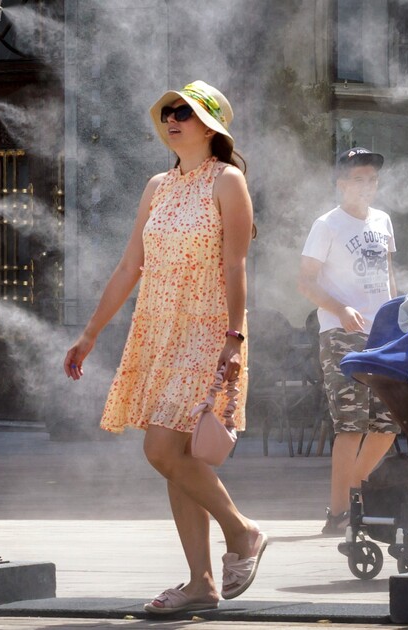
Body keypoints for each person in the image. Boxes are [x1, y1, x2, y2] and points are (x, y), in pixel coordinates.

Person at [63, 80, 266, 613]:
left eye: (186, 112)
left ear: (210, 126)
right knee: (173, 454)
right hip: (158, 330)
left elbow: (237, 266)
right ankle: (200, 582)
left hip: (208, 331)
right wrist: (90, 333)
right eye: (169, 112)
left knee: (160, 449)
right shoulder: (156, 186)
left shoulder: (228, 182)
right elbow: (131, 265)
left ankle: (241, 532)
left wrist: (235, 336)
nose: (173, 119)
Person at [299, 147, 400, 536]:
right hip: (342, 335)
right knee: (351, 425)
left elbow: (388, 276)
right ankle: (339, 512)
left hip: (381, 335)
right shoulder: (327, 224)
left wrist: (396, 317)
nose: (367, 186)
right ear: (341, 184)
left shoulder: (383, 221)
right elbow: (305, 281)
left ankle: (355, 492)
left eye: (372, 179)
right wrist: (341, 310)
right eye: (358, 178)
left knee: (388, 424)